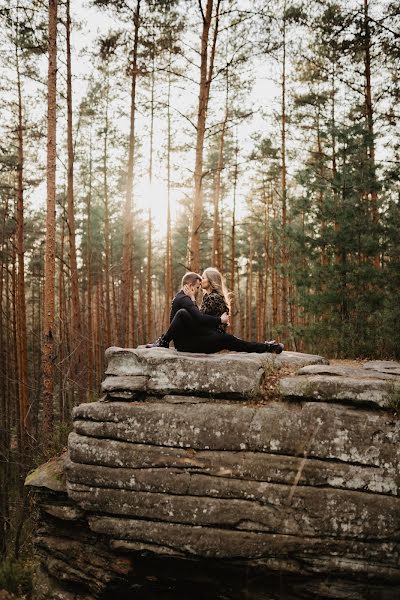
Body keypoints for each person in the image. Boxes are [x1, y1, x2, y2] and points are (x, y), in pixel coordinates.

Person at [146, 270, 284, 354]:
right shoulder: (185, 300)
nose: (199, 288)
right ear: (189, 286)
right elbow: (200, 318)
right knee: (229, 339)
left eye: (202, 282)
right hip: (191, 342)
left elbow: (199, 320)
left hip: (197, 338)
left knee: (232, 340)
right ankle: (163, 341)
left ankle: (268, 347)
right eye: (198, 286)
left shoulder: (197, 298)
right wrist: (220, 320)